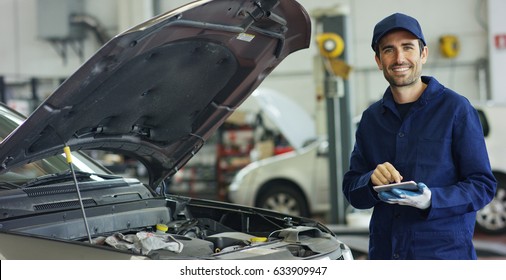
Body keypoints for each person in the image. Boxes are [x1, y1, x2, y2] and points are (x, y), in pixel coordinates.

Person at [342, 13, 497, 260]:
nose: (399, 58)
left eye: (407, 47)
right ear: (378, 60)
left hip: (442, 258)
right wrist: (370, 181)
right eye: (389, 50)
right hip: (385, 256)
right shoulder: (371, 119)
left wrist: (432, 200)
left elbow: (482, 186)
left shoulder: (456, 110)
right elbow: (351, 188)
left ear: (423, 54)